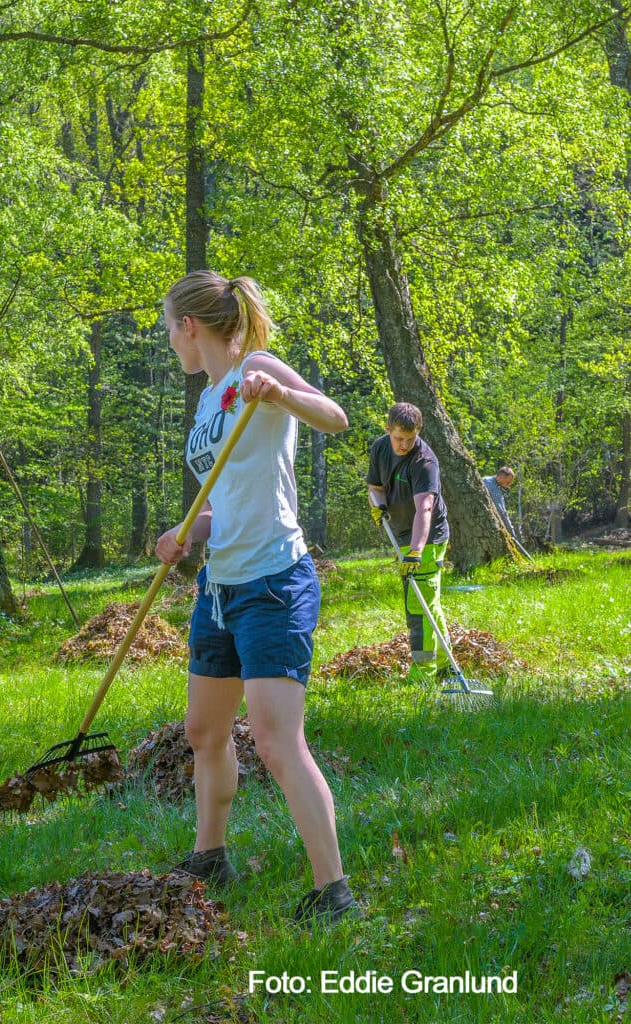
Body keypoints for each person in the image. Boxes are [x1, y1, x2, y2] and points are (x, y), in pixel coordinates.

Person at [154, 270, 356, 926]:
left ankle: (334, 893)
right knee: (205, 731)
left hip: (273, 580)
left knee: (274, 739)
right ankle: (209, 855)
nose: (170, 342)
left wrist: (279, 394)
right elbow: (223, 500)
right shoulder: (208, 399)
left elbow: (336, 418)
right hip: (220, 587)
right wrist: (188, 533)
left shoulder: (256, 368)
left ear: (190, 326)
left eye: (169, 329)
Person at [367, 403, 450, 683]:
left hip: (427, 537)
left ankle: (423, 676)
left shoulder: (424, 462)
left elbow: (425, 508)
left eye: (410, 439)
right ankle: (444, 663)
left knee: (418, 606)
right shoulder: (380, 448)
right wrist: (378, 506)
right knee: (427, 600)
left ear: (418, 432)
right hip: (402, 534)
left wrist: (416, 551)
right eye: (399, 438)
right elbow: (375, 488)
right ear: (388, 428)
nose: (404, 445)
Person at [482, 466, 516, 538]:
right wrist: (512, 533)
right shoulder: (494, 489)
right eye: (508, 482)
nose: (509, 485)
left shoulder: (485, 479)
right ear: (501, 477)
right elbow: (502, 512)